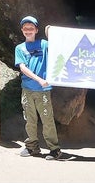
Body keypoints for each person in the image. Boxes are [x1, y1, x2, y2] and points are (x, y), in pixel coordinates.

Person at [14, 15, 62, 160]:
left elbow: (59, 49)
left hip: (43, 91)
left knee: (47, 119)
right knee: (30, 119)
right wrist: (39, 79)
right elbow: (23, 67)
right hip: (28, 89)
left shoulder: (44, 45)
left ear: (36, 29)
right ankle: (32, 147)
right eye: (25, 28)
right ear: (22, 30)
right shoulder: (20, 48)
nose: (28, 31)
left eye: (31, 28)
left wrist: (49, 31)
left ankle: (54, 149)